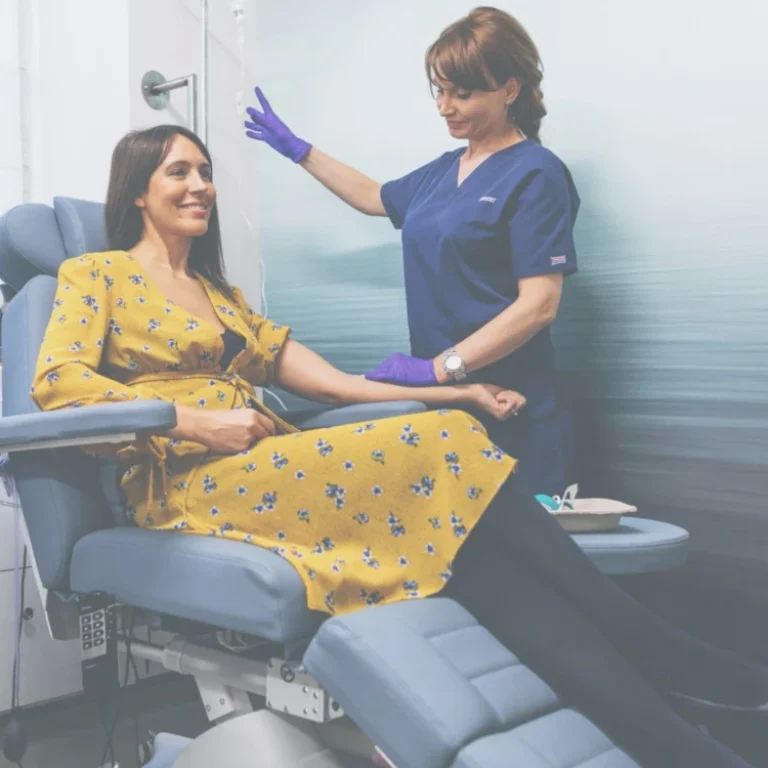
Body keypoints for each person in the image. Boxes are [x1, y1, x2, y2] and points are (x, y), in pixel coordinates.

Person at [32, 124, 768, 768]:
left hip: (262, 462)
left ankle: (678, 746)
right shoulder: (95, 274)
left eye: (204, 170)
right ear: (136, 191)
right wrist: (189, 423)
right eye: (178, 171)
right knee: (446, 453)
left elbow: (337, 388)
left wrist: (457, 392)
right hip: (185, 480)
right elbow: (57, 383)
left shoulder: (222, 298)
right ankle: (668, 655)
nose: (201, 185)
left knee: (478, 552)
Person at [243, 7, 577, 498]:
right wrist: (299, 150)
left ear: (510, 90)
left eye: (463, 93)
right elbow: (374, 196)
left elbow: (540, 305)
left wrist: (440, 368)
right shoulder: (443, 171)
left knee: (517, 563)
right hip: (446, 408)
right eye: (439, 91)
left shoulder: (536, 174)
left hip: (513, 403)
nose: (446, 107)